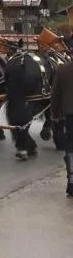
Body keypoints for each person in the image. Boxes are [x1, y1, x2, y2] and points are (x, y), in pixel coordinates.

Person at [51, 58, 73, 197]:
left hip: (70, 115)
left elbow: (55, 94)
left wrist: (55, 114)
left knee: (71, 148)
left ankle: (71, 182)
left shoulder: (62, 69)